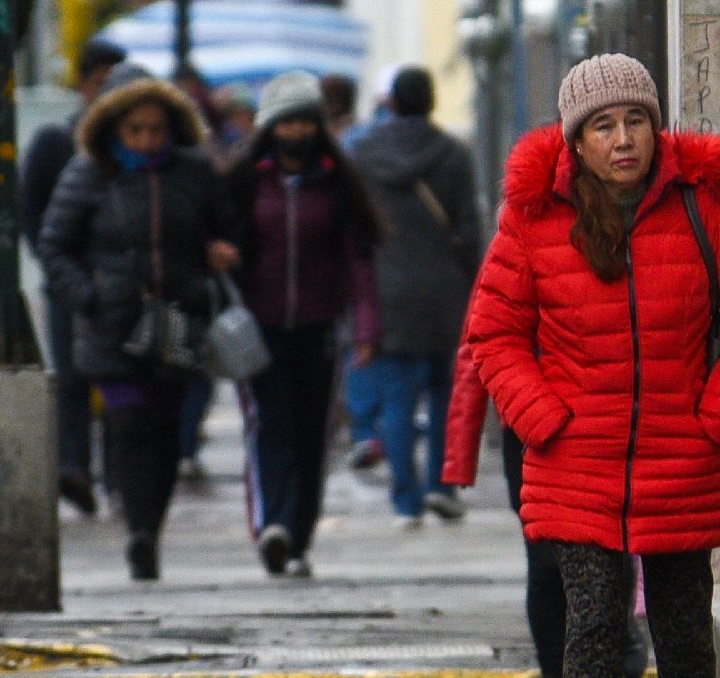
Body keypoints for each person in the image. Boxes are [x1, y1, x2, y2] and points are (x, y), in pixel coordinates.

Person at [465, 53, 720, 676]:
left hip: (683, 459)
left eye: (636, 120)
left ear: (656, 126)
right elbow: (495, 333)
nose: (622, 140)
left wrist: (717, 417)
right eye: (603, 125)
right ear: (576, 141)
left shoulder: (705, 206)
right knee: (592, 636)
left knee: (687, 638)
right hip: (575, 464)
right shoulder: (533, 221)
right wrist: (543, 419)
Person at [39, 65, 241, 580]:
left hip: (178, 320)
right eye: (136, 130)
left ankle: (150, 524)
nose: (147, 140)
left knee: (166, 430)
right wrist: (89, 295)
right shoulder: (89, 173)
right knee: (128, 424)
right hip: (113, 325)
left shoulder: (194, 172)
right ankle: (136, 530)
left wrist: (217, 252)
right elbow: (55, 245)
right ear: (114, 129)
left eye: (156, 130)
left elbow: (227, 226)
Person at [443, 259, 646, 678]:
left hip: (604, 422)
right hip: (533, 430)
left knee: (611, 551)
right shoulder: (522, 226)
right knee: (545, 559)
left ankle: (613, 649)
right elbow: (478, 342)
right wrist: (462, 454)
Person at [225, 70, 383, 577]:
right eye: (285, 123)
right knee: (269, 424)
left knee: (312, 433)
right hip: (259, 324)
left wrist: (366, 327)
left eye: (303, 122)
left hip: (319, 326)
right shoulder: (246, 181)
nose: (295, 132)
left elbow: (359, 258)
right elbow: (219, 239)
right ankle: (272, 524)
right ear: (270, 127)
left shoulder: (337, 182)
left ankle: (297, 536)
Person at [349, 66, 482, 527]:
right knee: (447, 395)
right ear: (429, 101)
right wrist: (474, 285)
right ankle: (441, 487)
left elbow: (356, 232)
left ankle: (405, 502)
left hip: (387, 293)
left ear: (393, 103)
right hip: (445, 292)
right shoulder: (452, 154)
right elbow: (467, 227)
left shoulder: (363, 155)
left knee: (397, 400)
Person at [20, 38, 126, 517]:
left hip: (123, 287)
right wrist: (60, 271)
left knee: (124, 379)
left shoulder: (134, 148)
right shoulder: (55, 143)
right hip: (69, 286)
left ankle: (121, 477)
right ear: (84, 85)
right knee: (72, 378)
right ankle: (74, 468)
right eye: (101, 83)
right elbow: (32, 216)